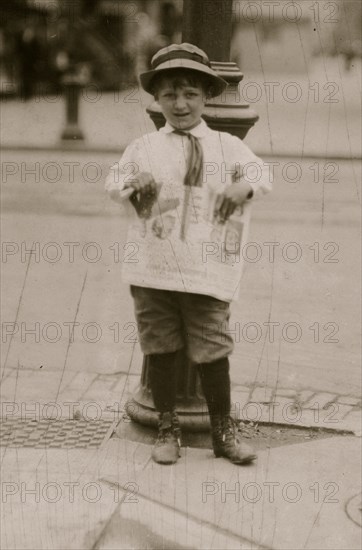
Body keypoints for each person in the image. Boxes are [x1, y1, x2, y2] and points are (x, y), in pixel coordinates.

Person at [105, 43, 272, 465]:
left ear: (205, 97)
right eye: (170, 95)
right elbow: (114, 183)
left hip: (205, 269)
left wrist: (243, 186)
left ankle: (223, 431)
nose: (180, 104)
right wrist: (133, 181)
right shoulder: (144, 147)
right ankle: (167, 427)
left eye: (190, 94)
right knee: (159, 348)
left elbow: (261, 173)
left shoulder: (224, 146)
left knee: (213, 348)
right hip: (154, 269)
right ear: (157, 99)